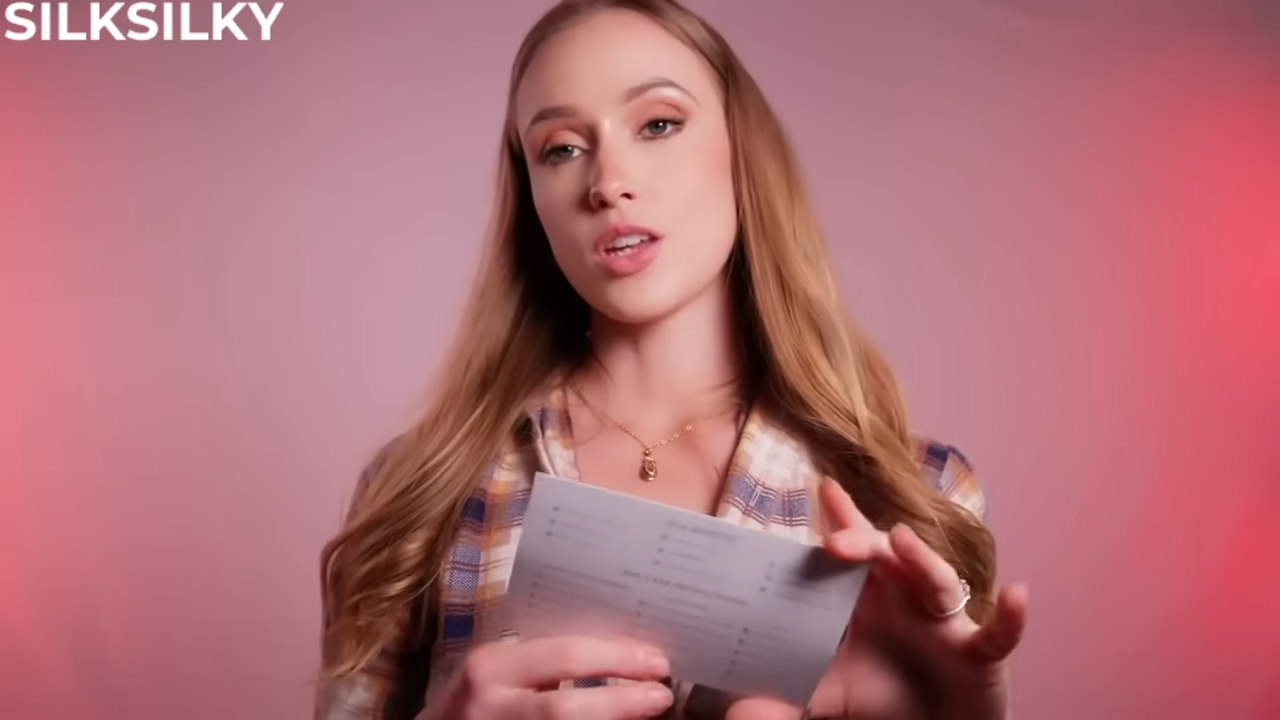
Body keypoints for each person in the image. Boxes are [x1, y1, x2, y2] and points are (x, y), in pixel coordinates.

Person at [316, 0, 1029, 718]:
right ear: (533, 199)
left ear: (741, 151)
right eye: (561, 148)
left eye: (658, 124)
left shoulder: (919, 496)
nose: (608, 182)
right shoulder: (416, 496)